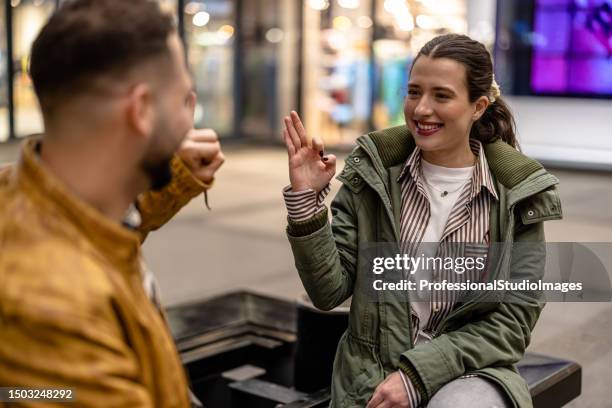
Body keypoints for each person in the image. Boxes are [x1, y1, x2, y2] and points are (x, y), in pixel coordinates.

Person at [281, 34, 562, 408]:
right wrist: (306, 201)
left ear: (478, 106)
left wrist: (417, 376)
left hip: (471, 374)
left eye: (441, 96)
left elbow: (511, 323)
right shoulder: (372, 176)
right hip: (372, 378)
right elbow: (328, 292)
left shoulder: (516, 195)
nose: (421, 109)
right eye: (414, 92)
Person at [0, 0, 224, 406]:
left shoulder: (21, 193)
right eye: (181, 102)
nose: (188, 122)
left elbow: (101, 227)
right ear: (141, 110)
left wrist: (169, 172)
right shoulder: (52, 310)